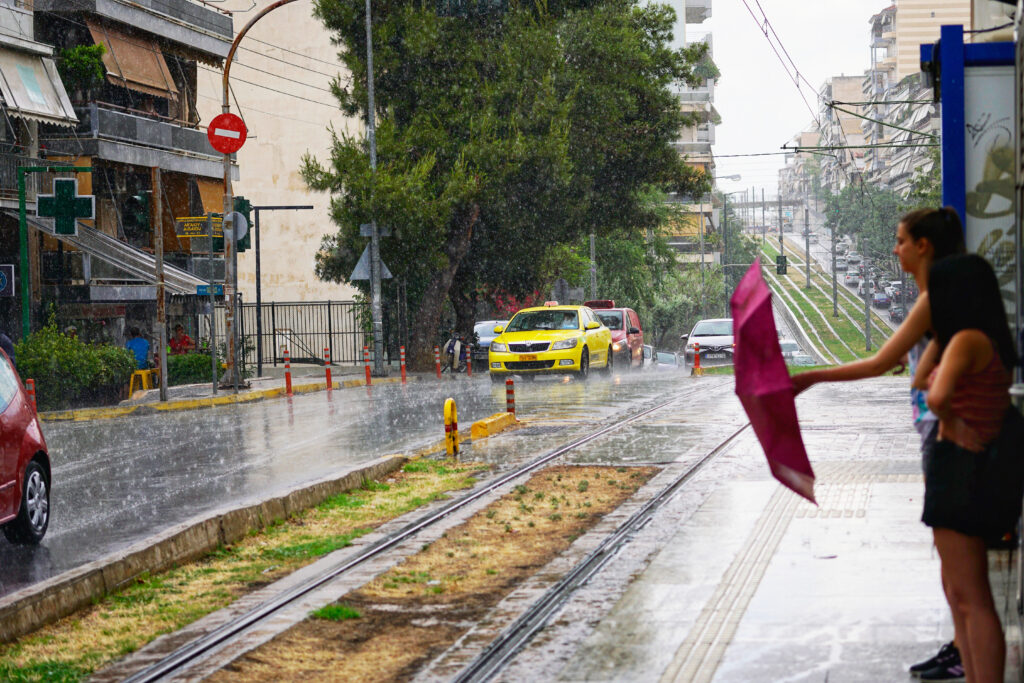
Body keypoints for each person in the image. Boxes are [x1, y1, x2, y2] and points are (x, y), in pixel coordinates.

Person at [790, 207, 967, 680]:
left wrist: (809, 379)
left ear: (923, 246)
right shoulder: (944, 294)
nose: (895, 249)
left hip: (943, 433)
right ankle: (960, 645)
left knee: (955, 560)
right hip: (938, 431)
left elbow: (878, 363)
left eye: (901, 240)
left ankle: (963, 651)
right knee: (954, 560)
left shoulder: (935, 301)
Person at [913, 254, 1016, 683]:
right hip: (958, 471)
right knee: (961, 594)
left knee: (972, 597)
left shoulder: (969, 340)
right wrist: (939, 336)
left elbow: (935, 398)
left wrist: (951, 421)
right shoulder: (966, 337)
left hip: (962, 471)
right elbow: (922, 379)